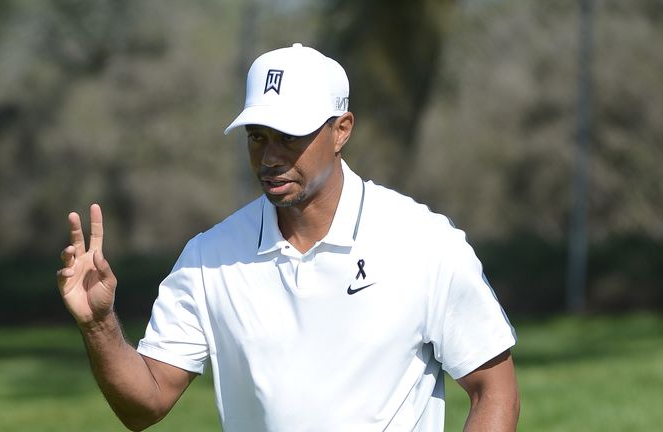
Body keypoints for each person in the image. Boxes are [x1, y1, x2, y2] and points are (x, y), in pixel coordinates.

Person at [56, 43, 520, 431]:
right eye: (257, 137)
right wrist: (98, 325)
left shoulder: (422, 242)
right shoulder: (207, 259)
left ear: (341, 130)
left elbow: (494, 389)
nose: (270, 157)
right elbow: (146, 404)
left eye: (290, 136)